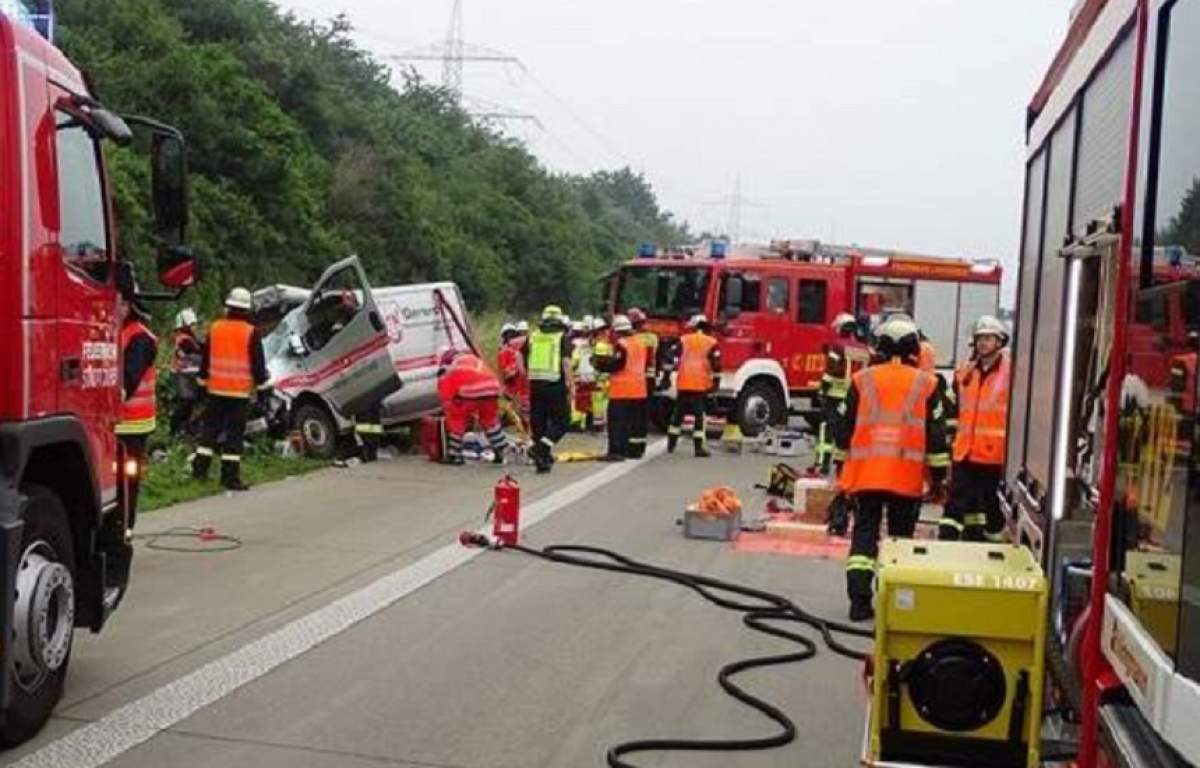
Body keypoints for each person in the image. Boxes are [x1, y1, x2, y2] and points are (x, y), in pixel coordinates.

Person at [835, 316, 950, 622]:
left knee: (864, 537)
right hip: (906, 477)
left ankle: (859, 603)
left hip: (866, 475)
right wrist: (938, 480)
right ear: (915, 348)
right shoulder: (927, 384)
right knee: (901, 541)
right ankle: (897, 605)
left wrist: (842, 477)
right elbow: (937, 438)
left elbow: (842, 431)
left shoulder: (862, 380)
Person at [938, 315, 1011, 542]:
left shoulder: (1013, 372)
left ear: (1000, 342)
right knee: (955, 501)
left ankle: (989, 542)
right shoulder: (965, 372)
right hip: (966, 451)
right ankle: (946, 542)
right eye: (980, 338)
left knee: (989, 504)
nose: (983, 343)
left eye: (988, 338)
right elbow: (954, 408)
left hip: (994, 455)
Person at [193, 287, 271, 491]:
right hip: (238, 393)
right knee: (234, 437)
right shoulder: (251, 332)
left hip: (215, 391)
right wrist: (263, 391)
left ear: (228, 307)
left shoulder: (215, 328)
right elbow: (258, 366)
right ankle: (230, 478)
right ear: (247, 310)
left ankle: (199, 472)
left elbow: (205, 362)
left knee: (208, 433)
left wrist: (201, 386)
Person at [116, 302, 158, 529]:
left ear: (129, 306)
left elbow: (128, 379)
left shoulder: (140, 338)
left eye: (120, 302)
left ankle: (125, 530)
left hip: (132, 424)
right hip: (112, 423)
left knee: (126, 483)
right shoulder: (115, 331)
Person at [437, 349, 510, 465]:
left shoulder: (448, 370)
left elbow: (447, 399)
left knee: (456, 419)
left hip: (470, 392)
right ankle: (501, 450)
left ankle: (455, 455)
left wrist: (451, 408)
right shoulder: (473, 360)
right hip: (492, 389)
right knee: (490, 420)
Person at [524, 305, 574, 473]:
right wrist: (571, 385)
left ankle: (542, 461)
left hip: (535, 383)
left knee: (539, 423)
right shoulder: (562, 337)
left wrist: (527, 373)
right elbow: (566, 363)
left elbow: (519, 355)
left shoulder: (533, 336)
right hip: (555, 383)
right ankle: (541, 449)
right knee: (562, 421)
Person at [815, 312, 867, 473]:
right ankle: (850, 465)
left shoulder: (837, 346)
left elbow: (832, 370)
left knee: (827, 427)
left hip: (835, 396)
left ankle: (824, 463)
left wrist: (823, 389)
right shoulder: (864, 349)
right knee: (850, 430)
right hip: (857, 396)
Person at [593, 315, 646, 460]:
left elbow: (618, 365)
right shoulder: (640, 343)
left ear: (617, 331)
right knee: (633, 423)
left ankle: (616, 451)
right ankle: (633, 450)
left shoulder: (622, 344)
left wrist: (600, 365)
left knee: (616, 422)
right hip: (639, 389)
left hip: (622, 390)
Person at [668, 314, 721, 457]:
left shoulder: (684, 339)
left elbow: (672, 356)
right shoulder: (711, 341)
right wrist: (716, 383)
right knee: (699, 416)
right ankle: (698, 448)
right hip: (700, 383)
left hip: (684, 381)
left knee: (678, 414)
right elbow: (716, 364)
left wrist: (666, 377)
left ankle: (671, 444)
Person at [169, 308, 203, 437]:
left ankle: (184, 427)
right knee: (186, 401)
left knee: (190, 402)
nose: (195, 327)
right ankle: (175, 428)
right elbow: (196, 353)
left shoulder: (187, 338)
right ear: (185, 325)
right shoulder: (184, 340)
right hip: (182, 374)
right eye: (192, 325)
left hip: (187, 374)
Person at [497, 322, 530, 432]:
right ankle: (519, 420)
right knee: (521, 400)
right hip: (521, 376)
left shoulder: (506, 350)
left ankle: (519, 421)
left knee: (513, 400)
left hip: (515, 378)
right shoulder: (520, 345)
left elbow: (504, 368)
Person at [589, 317, 610, 433]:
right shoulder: (608, 342)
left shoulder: (600, 345)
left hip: (600, 378)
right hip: (608, 378)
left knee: (598, 400)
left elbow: (600, 362)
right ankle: (602, 422)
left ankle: (598, 424)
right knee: (605, 401)